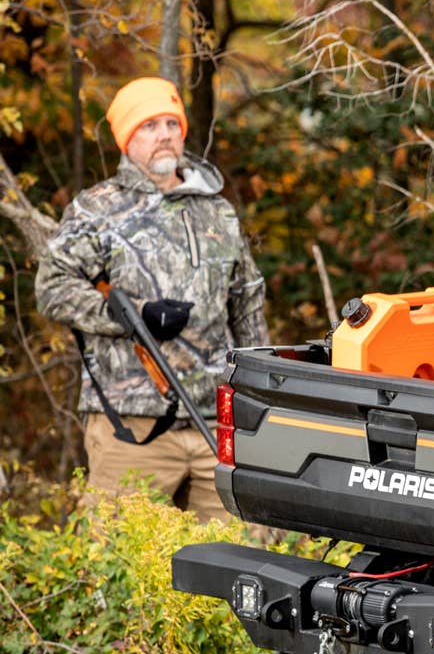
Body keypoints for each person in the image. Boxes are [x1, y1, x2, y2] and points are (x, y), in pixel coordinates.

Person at [35, 76, 267, 521]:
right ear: (126, 140)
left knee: (230, 565)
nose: (164, 134)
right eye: (148, 125)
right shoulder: (96, 209)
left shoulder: (216, 210)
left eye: (171, 123)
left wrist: (255, 394)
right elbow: (52, 287)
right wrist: (132, 317)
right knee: (119, 564)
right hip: (132, 424)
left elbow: (246, 301)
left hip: (214, 425)